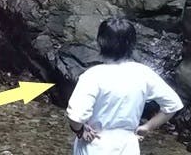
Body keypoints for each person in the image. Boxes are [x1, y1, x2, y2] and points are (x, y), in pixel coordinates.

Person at [66, 18, 184, 155]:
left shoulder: (93, 76)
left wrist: (80, 131)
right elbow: (173, 105)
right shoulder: (143, 73)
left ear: (100, 42)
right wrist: (147, 127)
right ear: (132, 44)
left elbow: (75, 116)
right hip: (128, 145)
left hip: (95, 144)